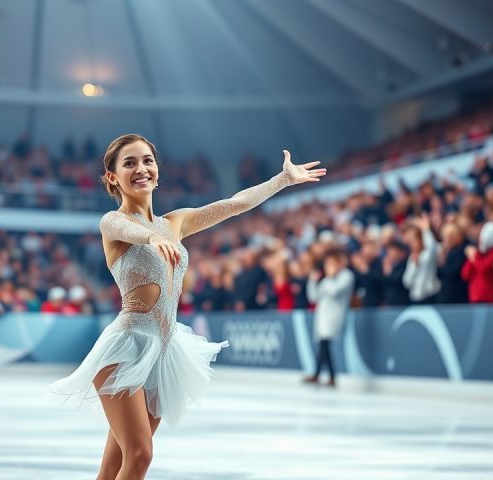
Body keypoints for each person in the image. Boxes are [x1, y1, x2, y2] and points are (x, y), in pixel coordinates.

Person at [47, 134, 326, 480]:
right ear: (112, 177)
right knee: (140, 454)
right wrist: (152, 236)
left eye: (147, 160)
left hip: (164, 352)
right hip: (124, 349)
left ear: (157, 170)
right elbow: (124, 227)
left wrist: (282, 180)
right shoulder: (112, 223)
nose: (141, 168)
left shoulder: (175, 222)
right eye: (129, 163)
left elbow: (235, 203)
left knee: (114, 466)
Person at [304, 249, 354, 387]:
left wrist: (331, 277)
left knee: (324, 345)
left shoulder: (346, 276)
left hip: (334, 316)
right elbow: (313, 297)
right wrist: (312, 281)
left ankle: (321, 374)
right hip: (322, 316)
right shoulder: (326, 280)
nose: (328, 267)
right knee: (323, 345)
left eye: (331, 263)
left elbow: (334, 292)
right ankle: (326, 375)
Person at [402, 214, 441, 304]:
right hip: (415, 298)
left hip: (430, 296)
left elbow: (431, 247)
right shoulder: (412, 257)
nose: (412, 244)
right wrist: (415, 266)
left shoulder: (427, 254)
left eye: (414, 240)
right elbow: (407, 282)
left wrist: (426, 229)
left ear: (421, 239)